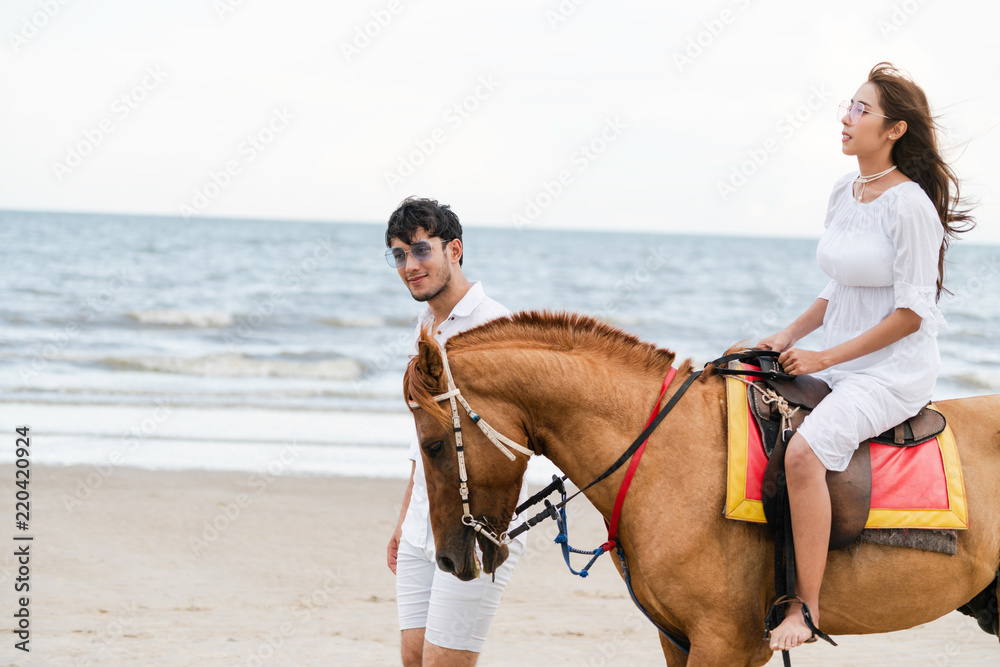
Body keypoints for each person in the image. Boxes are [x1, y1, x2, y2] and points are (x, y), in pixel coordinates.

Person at [759, 63, 974, 651]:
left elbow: (911, 313)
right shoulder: (843, 191)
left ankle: (806, 608)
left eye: (862, 110)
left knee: (804, 457)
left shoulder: (909, 206)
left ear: (896, 129)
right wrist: (781, 337)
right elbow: (838, 291)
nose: (847, 119)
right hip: (839, 358)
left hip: (890, 371)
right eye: (847, 106)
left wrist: (826, 359)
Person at [383, 197, 529, 666]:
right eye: (400, 255)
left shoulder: (497, 327)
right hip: (423, 523)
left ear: (455, 250)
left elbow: (515, 444)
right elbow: (426, 441)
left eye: (421, 250)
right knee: (413, 658)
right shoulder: (427, 324)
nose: (410, 265)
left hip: (476, 524)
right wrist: (406, 520)